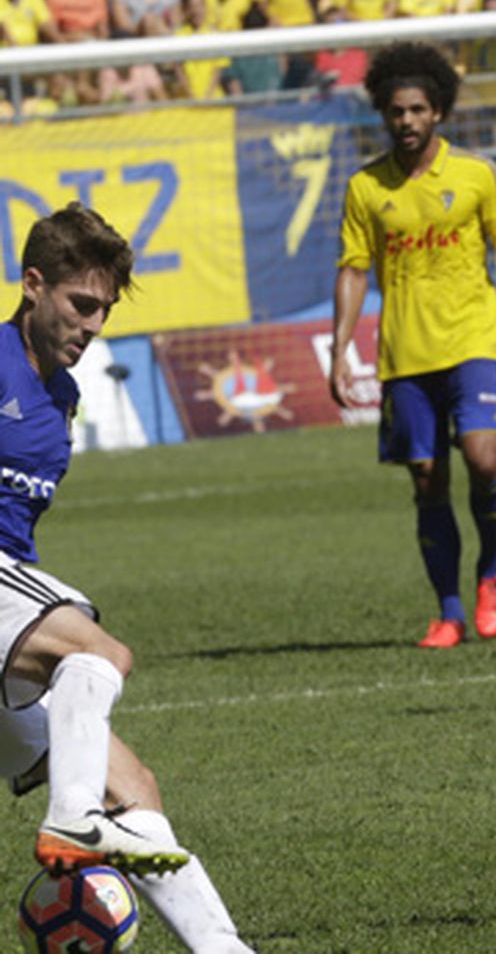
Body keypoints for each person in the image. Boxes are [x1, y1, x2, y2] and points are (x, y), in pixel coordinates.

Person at [3, 203, 252, 952]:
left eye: (104, 311)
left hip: (7, 604)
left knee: (136, 790)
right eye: (81, 305)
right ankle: (72, 818)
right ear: (32, 284)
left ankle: (224, 948)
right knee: (101, 655)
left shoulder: (63, 396)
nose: (93, 325)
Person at [329, 42, 496, 649]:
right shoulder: (366, 188)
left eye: (418, 109)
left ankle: (491, 573)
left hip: (472, 343)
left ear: (438, 112)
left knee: (483, 459)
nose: (406, 121)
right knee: (427, 481)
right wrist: (338, 348)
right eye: (396, 111)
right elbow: (353, 270)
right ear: (384, 113)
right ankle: (449, 611)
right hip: (404, 356)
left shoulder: (477, 176)